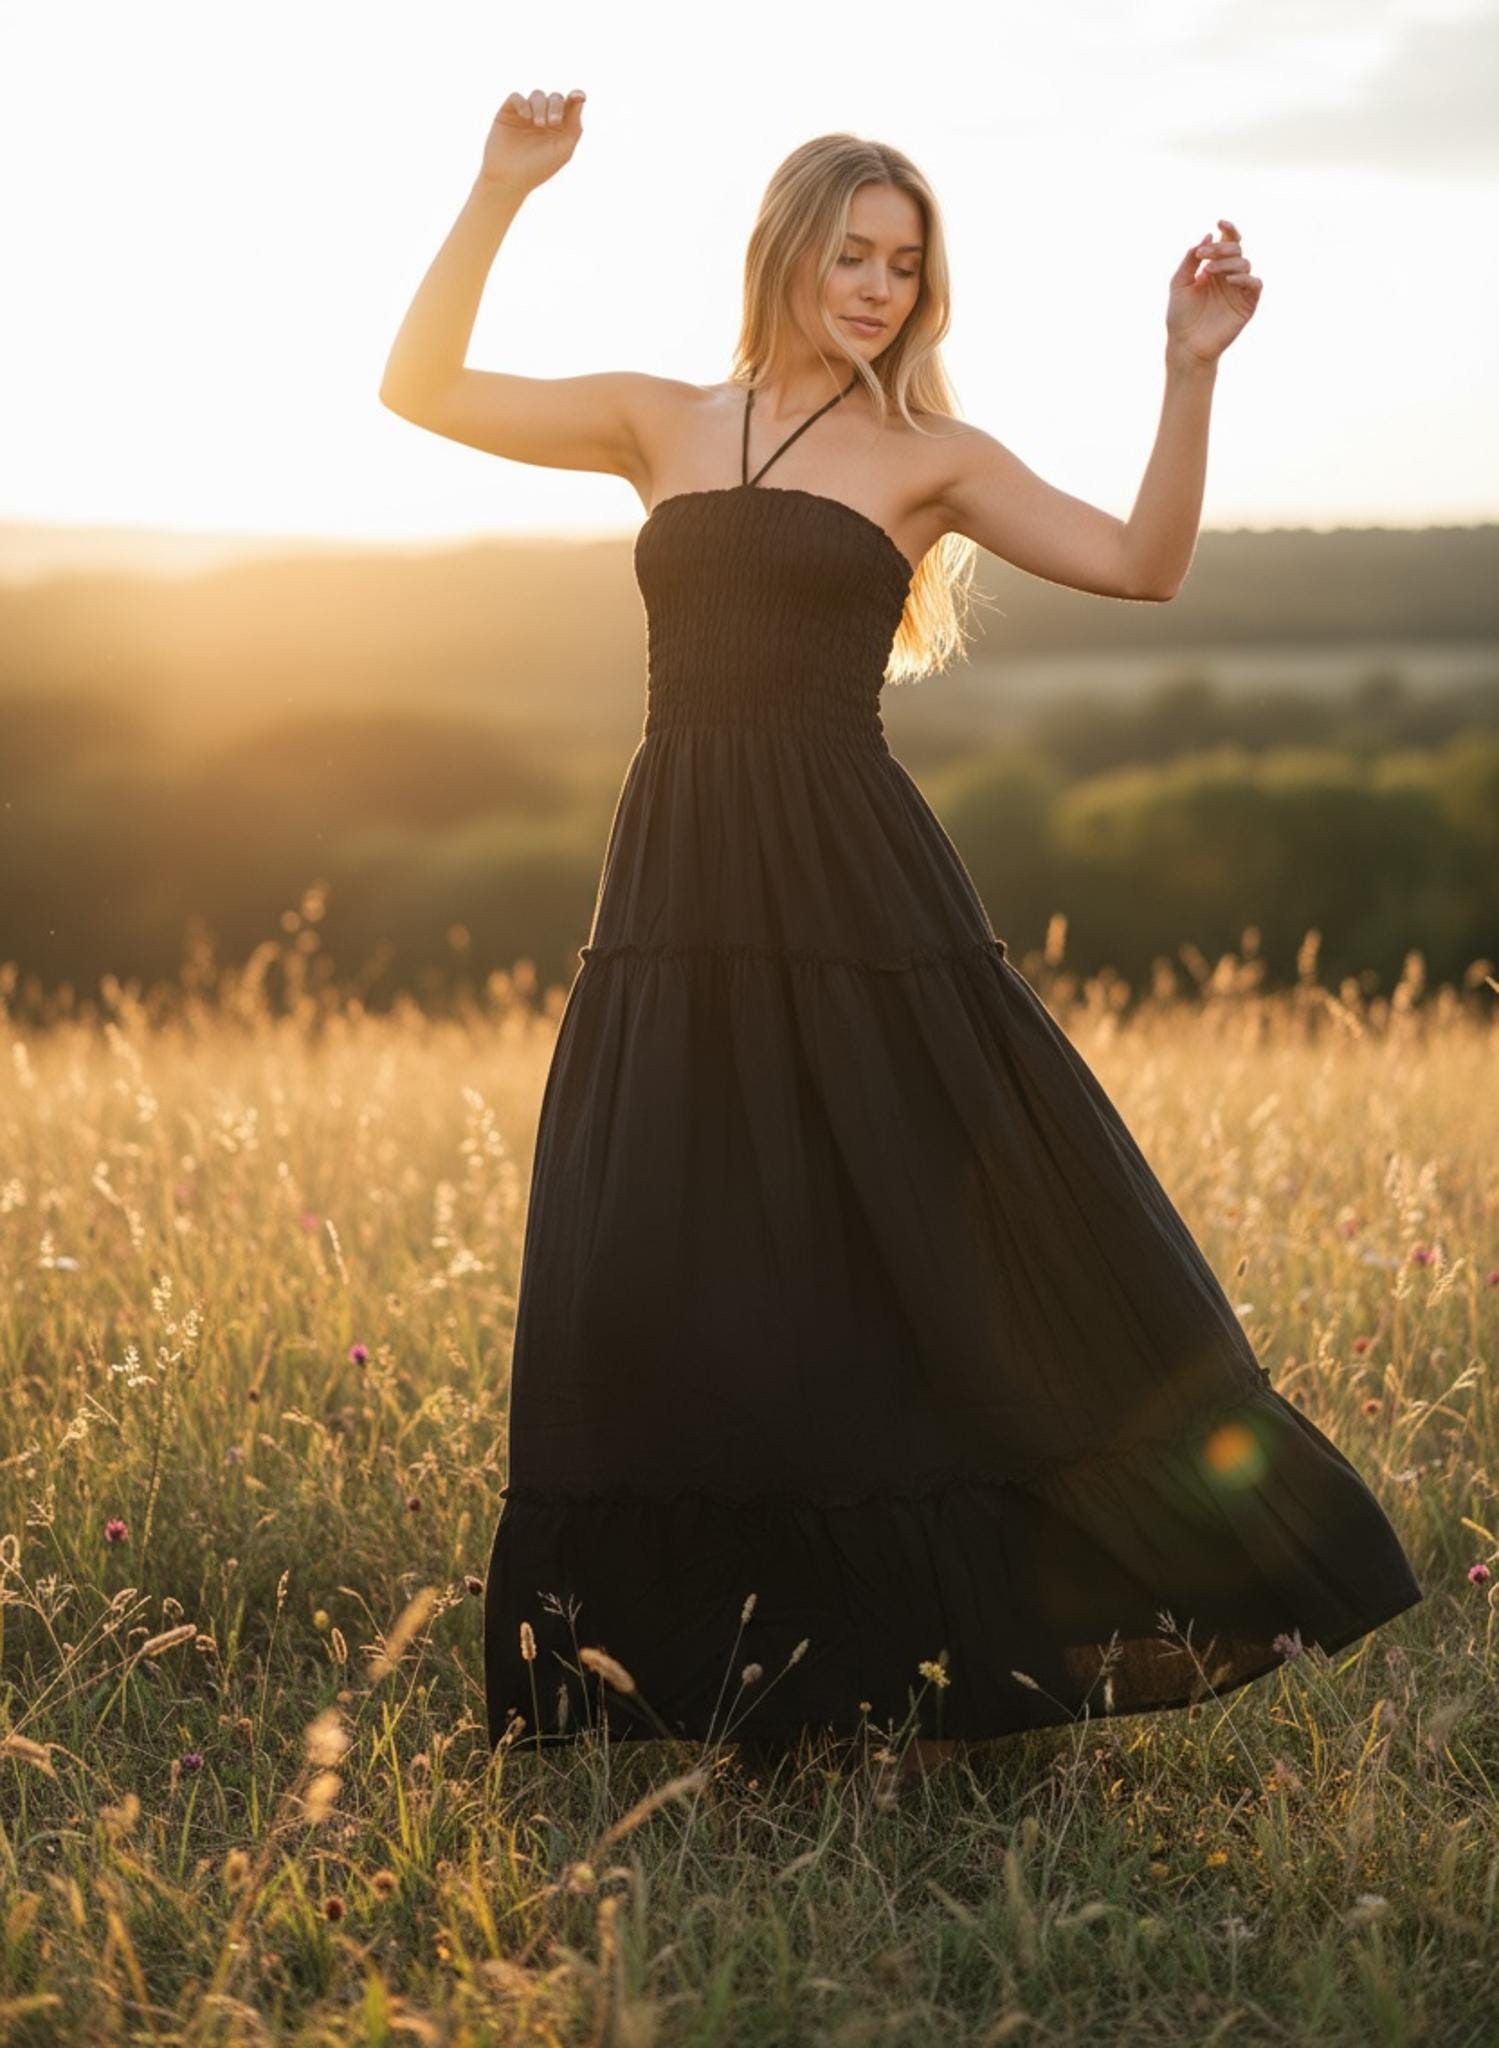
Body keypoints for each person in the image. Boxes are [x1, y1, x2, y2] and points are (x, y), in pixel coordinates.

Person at [380, 91, 1424, 1782]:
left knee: (895, 1238)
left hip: (853, 884)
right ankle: (745, 1678)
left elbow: (1145, 566)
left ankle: (931, 1660)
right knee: (686, 1248)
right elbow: (419, 389)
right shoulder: (665, 417)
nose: (876, 290)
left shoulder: (930, 456)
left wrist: (1190, 367)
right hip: (676, 887)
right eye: (853, 256)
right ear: (789, 252)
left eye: (904, 267)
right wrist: (499, 187)